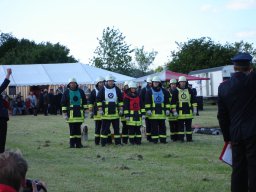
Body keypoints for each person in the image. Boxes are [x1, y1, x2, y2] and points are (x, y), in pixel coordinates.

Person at [217, 52, 256, 192]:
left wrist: (228, 138)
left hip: (236, 133)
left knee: (238, 169)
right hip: (253, 132)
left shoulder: (224, 87)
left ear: (234, 68)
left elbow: (222, 116)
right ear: (250, 66)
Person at [96, 74, 123, 146]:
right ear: (107, 81)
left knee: (116, 129)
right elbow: (98, 100)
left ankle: (118, 143)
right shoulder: (103, 89)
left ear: (114, 81)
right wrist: (100, 109)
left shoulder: (117, 89)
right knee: (104, 130)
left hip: (115, 114)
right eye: (109, 81)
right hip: (106, 114)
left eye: (112, 81)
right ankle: (103, 143)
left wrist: (121, 109)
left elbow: (120, 100)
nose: (111, 82)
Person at [61, 78, 87, 148]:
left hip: (79, 114)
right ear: (69, 84)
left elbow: (84, 102)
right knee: (72, 130)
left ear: (76, 84)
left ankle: (78, 144)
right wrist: (65, 114)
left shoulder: (81, 91)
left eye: (74, 83)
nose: (72, 84)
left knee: (78, 130)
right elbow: (63, 103)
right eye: (71, 83)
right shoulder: (66, 92)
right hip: (70, 115)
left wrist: (86, 112)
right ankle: (72, 144)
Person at [145, 76, 170, 144]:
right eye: (154, 82)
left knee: (163, 127)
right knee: (154, 128)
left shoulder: (164, 91)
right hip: (153, 114)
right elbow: (147, 102)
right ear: (152, 83)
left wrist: (167, 109)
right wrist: (148, 110)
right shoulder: (149, 91)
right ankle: (155, 140)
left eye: (157, 82)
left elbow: (167, 102)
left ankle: (163, 140)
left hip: (162, 113)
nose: (156, 83)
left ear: (159, 83)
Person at [172, 76, 197, 142]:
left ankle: (189, 139)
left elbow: (193, 100)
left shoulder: (189, 90)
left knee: (189, 127)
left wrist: (195, 109)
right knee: (180, 127)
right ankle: (181, 139)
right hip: (180, 112)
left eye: (184, 82)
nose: (183, 83)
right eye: (181, 82)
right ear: (179, 82)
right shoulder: (176, 91)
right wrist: (174, 111)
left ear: (186, 82)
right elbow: (173, 102)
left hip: (188, 111)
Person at [88, 76, 105, 145]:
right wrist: (91, 111)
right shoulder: (94, 91)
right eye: (100, 82)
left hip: (105, 112)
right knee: (97, 127)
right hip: (97, 112)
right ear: (97, 83)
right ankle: (97, 142)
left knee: (105, 127)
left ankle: (107, 141)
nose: (101, 84)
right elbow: (90, 102)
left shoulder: (106, 90)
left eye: (102, 82)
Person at [0, 69, 12, 153]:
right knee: (2, 137)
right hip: (1, 117)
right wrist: (8, 74)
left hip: (2, 117)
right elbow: (4, 84)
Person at [139, 76, 153, 142]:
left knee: (153, 124)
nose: (150, 84)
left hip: (153, 109)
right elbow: (141, 100)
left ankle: (153, 136)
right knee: (148, 124)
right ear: (147, 83)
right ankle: (148, 137)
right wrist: (143, 111)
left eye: (151, 83)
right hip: (146, 109)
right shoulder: (144, 90)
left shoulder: (154, 89)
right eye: (149, 83)